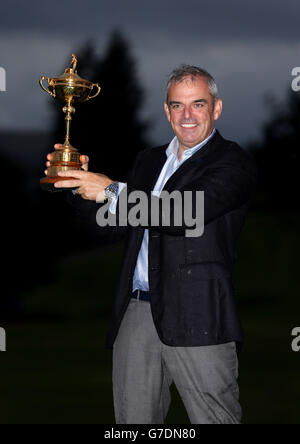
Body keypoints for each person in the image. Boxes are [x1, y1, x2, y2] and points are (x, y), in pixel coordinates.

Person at [45, 65, 258, 424]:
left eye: (198, 104)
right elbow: (111, 227)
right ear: (166, 110)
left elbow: (186, 212)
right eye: (177, 105)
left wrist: (111, 189)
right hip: (137, 314)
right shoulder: (148, 161)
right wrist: (76, 187)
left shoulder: (234, 162)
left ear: (216, 108)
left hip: (200, 315)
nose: (187, 115)